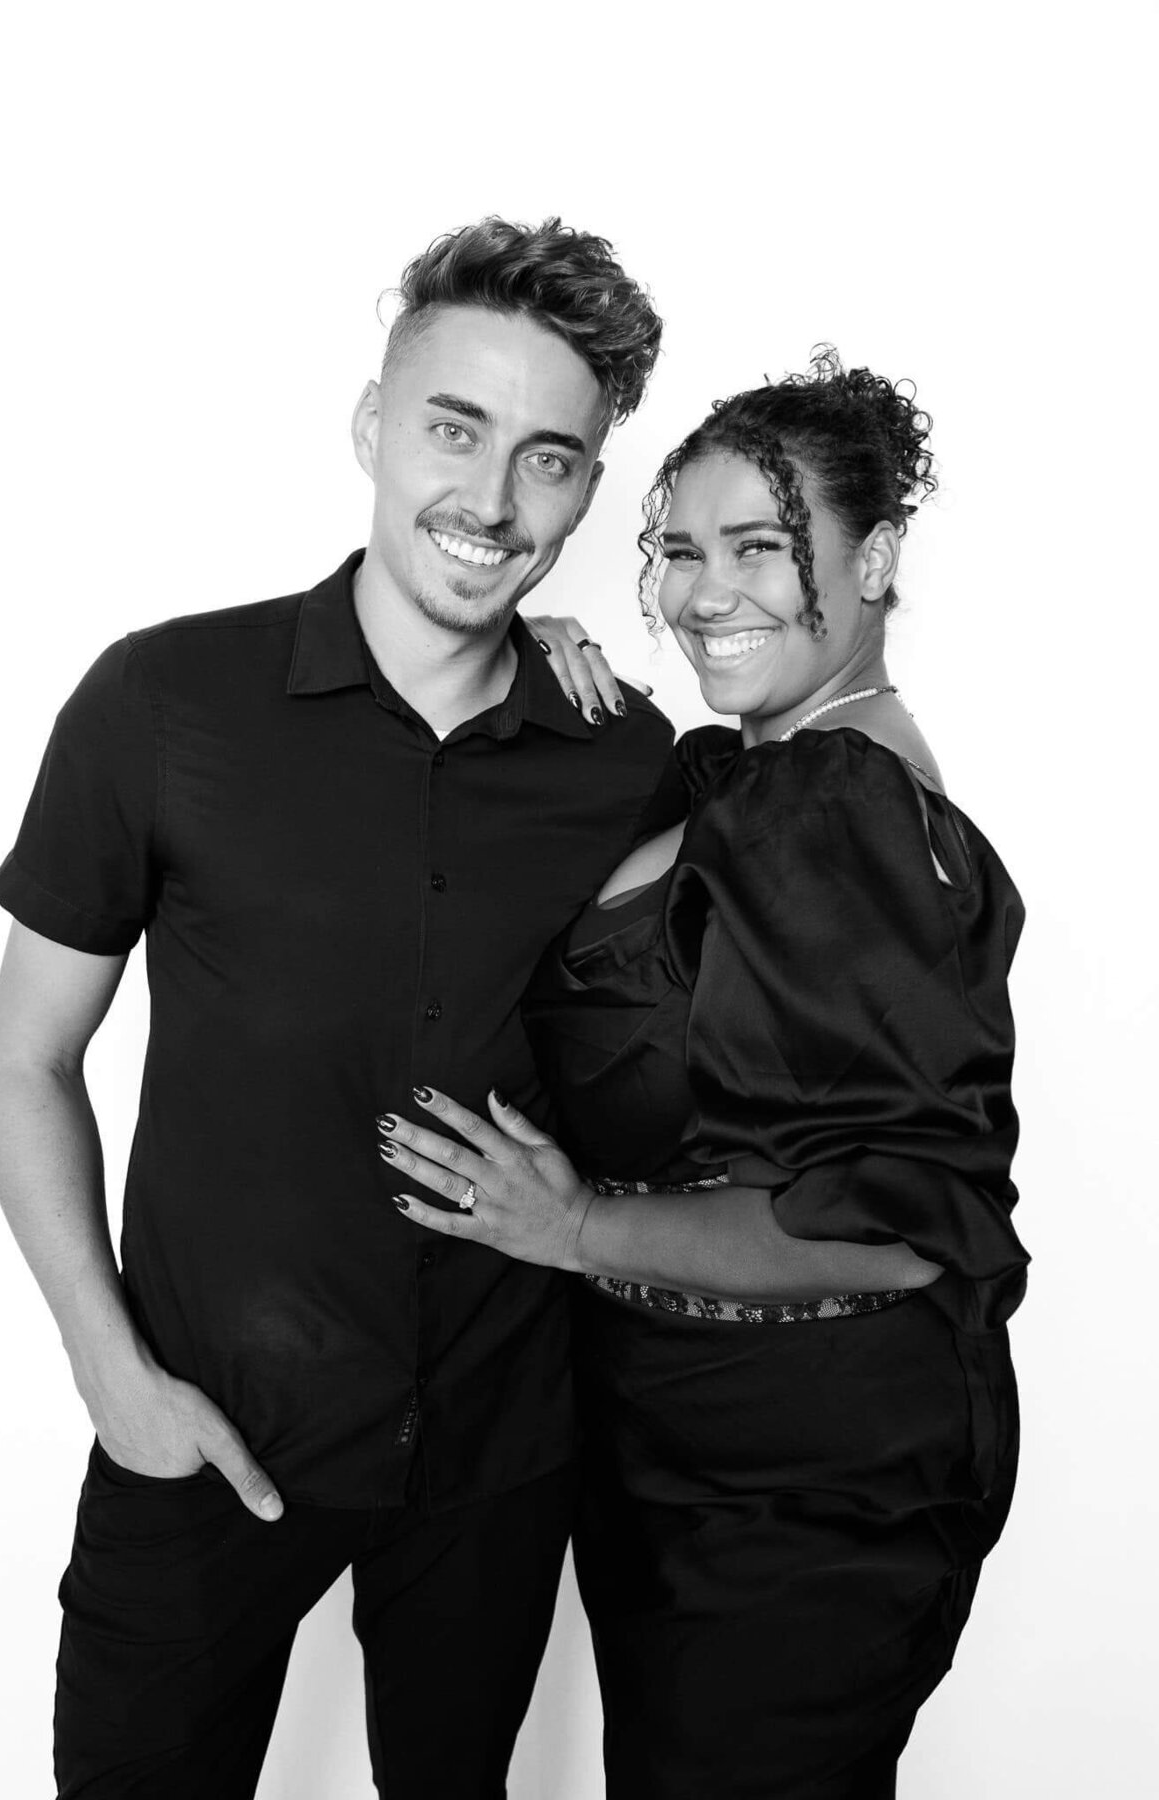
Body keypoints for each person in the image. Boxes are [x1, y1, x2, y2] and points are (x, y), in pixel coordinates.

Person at [0, 217, 674, 1800]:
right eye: (455, 427)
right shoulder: (159, 703)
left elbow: (680, 1043)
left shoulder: (618, 754)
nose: (493, 501)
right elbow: (23, 1059)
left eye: (551, 459)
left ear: (587, 483)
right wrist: (109, 1376)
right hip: (207, 1434)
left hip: (501, 1454)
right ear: (372, 425)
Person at [381, 349, 1028, 1798]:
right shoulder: (751, 771)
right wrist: (532, 668)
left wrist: (571, 1229)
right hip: (687, 1447)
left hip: (801, 1496)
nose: (703, 593)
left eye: (760, 549)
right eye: (679, 550)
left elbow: (886, 1228)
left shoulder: (837, 800)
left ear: (875, 557)